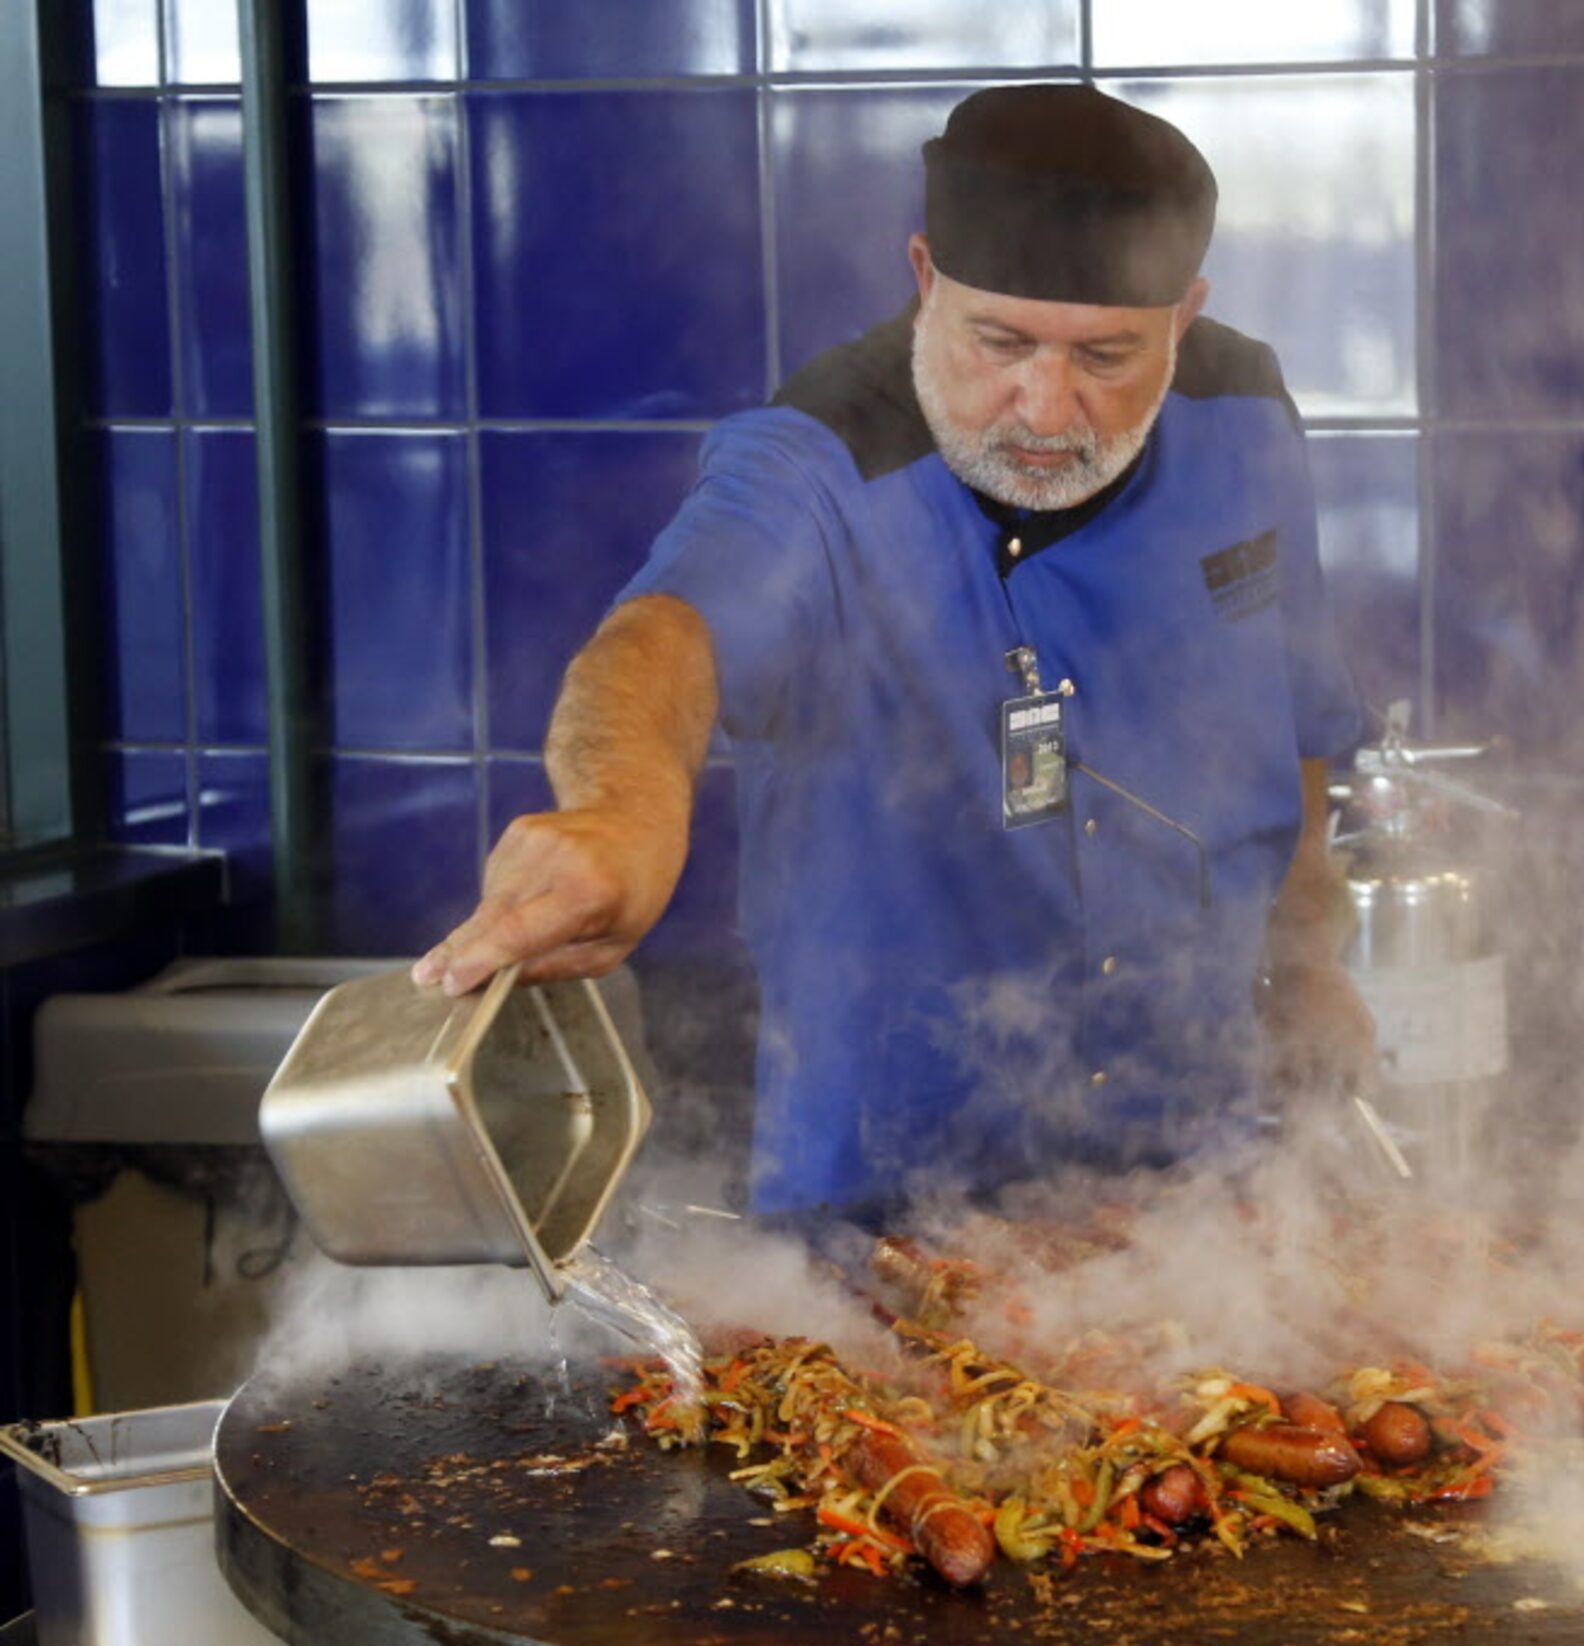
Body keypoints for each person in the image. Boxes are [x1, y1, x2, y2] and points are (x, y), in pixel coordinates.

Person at [414, 84, 1372, 1230]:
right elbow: (661, 639)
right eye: (1001, 341)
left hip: (1200, 1178)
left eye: (1107, 355)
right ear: (926, 278)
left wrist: (1310, 963)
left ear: (1184, 315)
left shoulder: (1246, 409)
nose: (1047, 407)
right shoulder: (817, 460)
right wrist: (621, 810)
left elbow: (1299, 722)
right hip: (886, 1199)